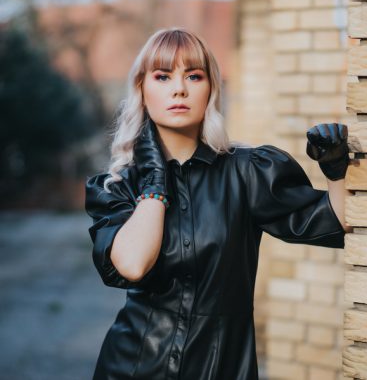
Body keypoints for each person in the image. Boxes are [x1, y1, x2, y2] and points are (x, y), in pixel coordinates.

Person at [84, 27, 353, 380]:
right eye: (163, 76)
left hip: (222, 367)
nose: (179, 89)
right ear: (142, 90)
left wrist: (336, 170)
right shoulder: (118, 185)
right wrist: (154, 177)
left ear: (211, 88)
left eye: (193, 76)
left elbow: (339, 223)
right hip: (132, 367)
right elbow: (132, 265)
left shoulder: (248, 171)